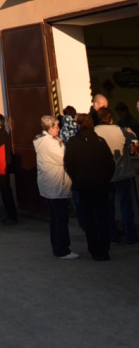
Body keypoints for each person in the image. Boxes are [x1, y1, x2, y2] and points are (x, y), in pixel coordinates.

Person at [64, 112, 115, 260]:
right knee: (103, 217)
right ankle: (104, 249)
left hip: (83, 186)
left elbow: (69, 164)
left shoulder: (73, 142)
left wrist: (77, 179)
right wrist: (105, 179)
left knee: (89, 219)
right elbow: (110, 163)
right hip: (101, 185)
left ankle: (94, 248)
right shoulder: (100, 141)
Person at [34, 114, 78, 259]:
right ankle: (62, 249)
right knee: (60, 218)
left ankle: (58, 246)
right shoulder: (49, 143)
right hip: (55, 185)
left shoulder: (43, 141)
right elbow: (64, 158)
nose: (59, 129)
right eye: (57, 127)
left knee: (55, 218)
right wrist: (63, 144)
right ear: (50, 128)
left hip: (50, 185)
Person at [94, 108, 137, 245]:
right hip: (121, 173)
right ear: (111, 119)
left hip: (104, 175)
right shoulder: (119, 130)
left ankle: (112, 235)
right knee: (126, 207)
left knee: (108, 207)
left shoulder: (94, 132)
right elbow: (134, 144)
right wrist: (132, 133)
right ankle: (130, 236)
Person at [0, 114, 18, 224]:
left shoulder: (0, 134)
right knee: (5, 191)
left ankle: (11, 215)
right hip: (1, 166)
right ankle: (9, 214)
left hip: (3, 166)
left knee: (6, 192)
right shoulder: (0, 134)